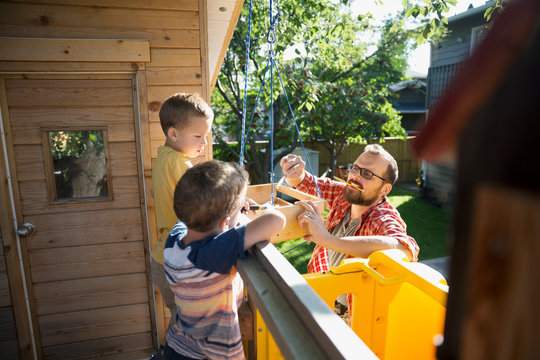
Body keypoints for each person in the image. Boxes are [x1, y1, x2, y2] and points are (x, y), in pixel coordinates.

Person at [162, 160, 286, 360]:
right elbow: (277, 220)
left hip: (177, 346)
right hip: (208, 355)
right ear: (225, 222)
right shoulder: (211, 255)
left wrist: (234, 211)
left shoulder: (174, 240)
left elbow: (190, 218)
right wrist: (265, 210)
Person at [280, 144, 419, 275]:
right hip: (321, 287)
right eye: (355, 168)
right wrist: (295, 173)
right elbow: (306, 182)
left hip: (351, 300)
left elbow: (404, 249)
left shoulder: (382, 217)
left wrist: (326, 239)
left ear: (385, 189)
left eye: (366, 174)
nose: (355, 176)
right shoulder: (344, 195)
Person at [150, 93, 214, 334]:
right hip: (176, 261)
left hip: (162, 258)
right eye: (198, 136)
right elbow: (206, 202)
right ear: (173, 133)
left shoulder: (163, 159)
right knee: (187, 332)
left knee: (179, 324)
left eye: (205, 135)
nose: (204, 143)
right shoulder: (179, 163)